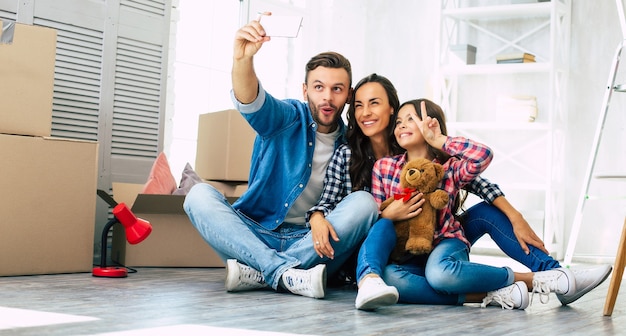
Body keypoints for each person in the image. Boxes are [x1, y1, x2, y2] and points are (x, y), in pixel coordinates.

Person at [310, 75, 612, 310]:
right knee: (394, 265)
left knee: (480, 219)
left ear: (390, 108)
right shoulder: (375, 163)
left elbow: (481, 175)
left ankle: (556, 275)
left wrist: (514, 213)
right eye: (359, 105)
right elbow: (357, 208)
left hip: (443, 239)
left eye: (374, 103)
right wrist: (334, 216)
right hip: (395, 251)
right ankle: (506, 288)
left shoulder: (446, 164)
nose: (365, 112)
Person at [183, 16, 379, 299]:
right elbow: (251, 101)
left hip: (312, 241)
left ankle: (258, 272)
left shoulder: (352, 145)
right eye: (319, 87)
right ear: (305, 90)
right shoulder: (286, 117)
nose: (327, 97)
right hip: (256, 233)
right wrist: (242, 60)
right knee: (198, 196)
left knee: (364, 203)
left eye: (337, 89)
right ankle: (285, 272)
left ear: (348, 95)